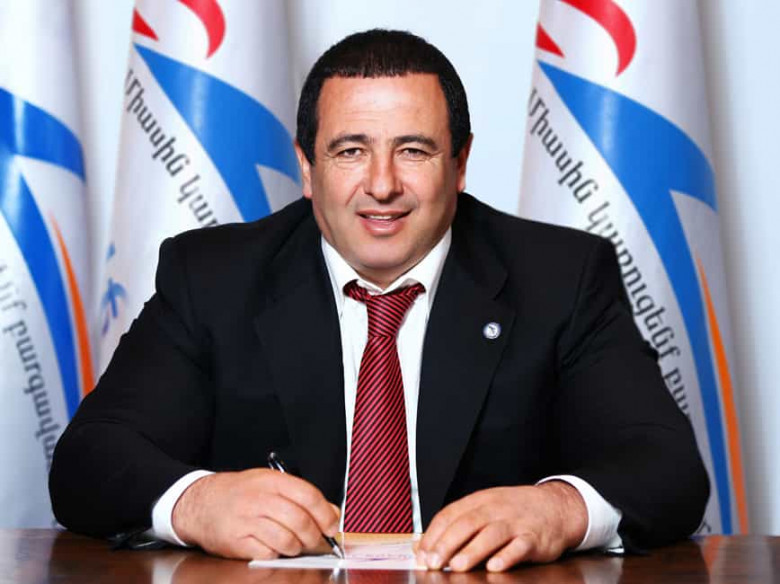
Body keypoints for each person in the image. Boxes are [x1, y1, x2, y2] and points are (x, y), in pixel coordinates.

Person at [49, 29, 709, 572]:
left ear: (460, 164)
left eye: (413, 150)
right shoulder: (214, 276)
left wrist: (558, 510)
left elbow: (668, 467)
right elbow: (89, 459)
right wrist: (197, 503)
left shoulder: (561, 278)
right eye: (350, 151)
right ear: (307, 168)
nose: (382, 184)